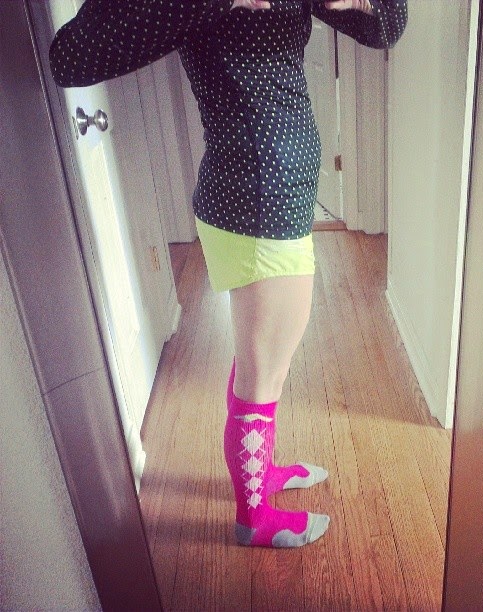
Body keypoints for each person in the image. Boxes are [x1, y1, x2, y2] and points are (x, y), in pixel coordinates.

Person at [49, 0, 407, 548]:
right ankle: (253, 517)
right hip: (258, 198)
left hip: (271, 193)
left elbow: (389, 25)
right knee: (263, 374)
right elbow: (70, 58)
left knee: (263, 362)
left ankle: (260, 475)